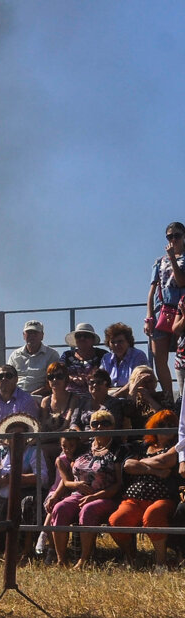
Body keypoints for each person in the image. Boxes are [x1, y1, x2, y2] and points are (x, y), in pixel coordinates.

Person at [44, 408, 123, 568]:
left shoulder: (118, 449)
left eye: (105, 423)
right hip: (78, 494)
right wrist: (58, 494)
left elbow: (118, 484)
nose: (100, 427)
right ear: (91, 427)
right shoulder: (84, 448)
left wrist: (95, 496)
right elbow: (67, 472)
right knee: (60, 508)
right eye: (96, 424)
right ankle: (61, 559)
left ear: (112, 426)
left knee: (88, 509)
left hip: (105, 496)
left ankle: (83, 560)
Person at [109, 409, 179, 568]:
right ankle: (131, 557)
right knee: (116, 521)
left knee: (152, 516)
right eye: (162, 424)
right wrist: (155, 470)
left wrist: (141, 462)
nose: (166, 427)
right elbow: (128, 465)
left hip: (163, 497)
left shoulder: (176, 447)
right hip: (134, 498)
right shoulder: (141, 446)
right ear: (154, 426)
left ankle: (160, 562)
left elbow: (167, 461)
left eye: (171, 425)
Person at [145, 221, 185, 400]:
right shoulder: (159, 261)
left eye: (177, 235)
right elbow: (152, 289)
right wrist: (149, 316)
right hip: (162, 310)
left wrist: (174, 260)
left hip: (182, 310)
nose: (173, 239)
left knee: (181, 355)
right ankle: (169, 397)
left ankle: (183, 396)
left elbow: (181, 281)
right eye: (170, 236)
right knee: (158, 357)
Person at [7, 320, 59, 396]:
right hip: (16, 396)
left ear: (42, 335)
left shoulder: (52, 355)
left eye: (35, 333)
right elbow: (8, 378)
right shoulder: (15, 355)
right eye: (29, 333)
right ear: (23, 335)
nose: (32, 336)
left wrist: (32, 395)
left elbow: (54, 381)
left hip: (40, 397)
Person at [100, 322, 149, 392]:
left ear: (128, 342)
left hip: (132, 394)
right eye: (113, 342)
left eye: (120, 341)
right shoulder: (106, 358)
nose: (116, 345)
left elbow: (138, 381)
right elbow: (101, 380)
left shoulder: (138, 355)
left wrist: (117, 394)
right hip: (111, 395)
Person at [61, 323, 106, 396]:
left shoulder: (102, 355)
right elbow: (60, 373)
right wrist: (72, 378)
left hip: (95, 396)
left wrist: (88, 378)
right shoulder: (67, 355)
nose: (82, 338)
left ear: (93, 339)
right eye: (78, 336)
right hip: (69, 397)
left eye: (86, 336)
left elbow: (106, 376)